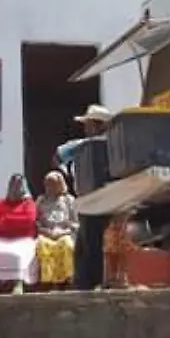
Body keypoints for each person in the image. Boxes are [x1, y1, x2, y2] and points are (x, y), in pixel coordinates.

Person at [58, 104, 113, 290]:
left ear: (98, 125)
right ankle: (89, 284)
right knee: (90, 247)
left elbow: (58, 155)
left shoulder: (81, 146)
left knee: (90, 247)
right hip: (103, 203)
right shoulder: (114, 146)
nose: (85, 128)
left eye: (88, 124)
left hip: (93, 204)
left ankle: (89, 286)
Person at [0, 174, 38, 293]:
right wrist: (13, 221)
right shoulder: (0, 203)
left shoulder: (29, 204)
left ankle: (18, 282)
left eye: (18, 186)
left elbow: (28, 220)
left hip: (23, 238)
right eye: (13, 186)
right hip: (0, 238)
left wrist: (6, 220)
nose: (15, 189)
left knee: (18, 254)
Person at [34, 170, 77, 287]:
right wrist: (46, 232)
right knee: (42, 245)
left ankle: (67, 279)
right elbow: (36, 222)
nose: (49, 187)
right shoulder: (41, 200)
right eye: (47, 184)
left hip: (64, 234)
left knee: (67, 245)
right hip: (46, 233)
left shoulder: (69, 200)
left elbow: (75, 223)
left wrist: (63, 232)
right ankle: (48, 281)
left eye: (52, 184)